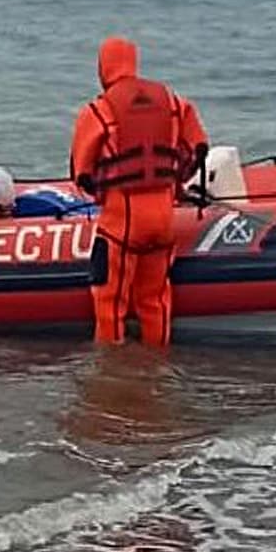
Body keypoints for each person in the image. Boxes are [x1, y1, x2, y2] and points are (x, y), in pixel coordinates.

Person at [69, 36, 209, 347]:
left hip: (122, 219)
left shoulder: (99, 110)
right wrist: (178, 182)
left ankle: (113, 373)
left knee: (110, 300)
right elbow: (198, 148)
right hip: (164, 216)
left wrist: (99, 190)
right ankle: (156, 366)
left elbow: (82, 172)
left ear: (103, 67)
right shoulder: (173, 101)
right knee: (155, 299)